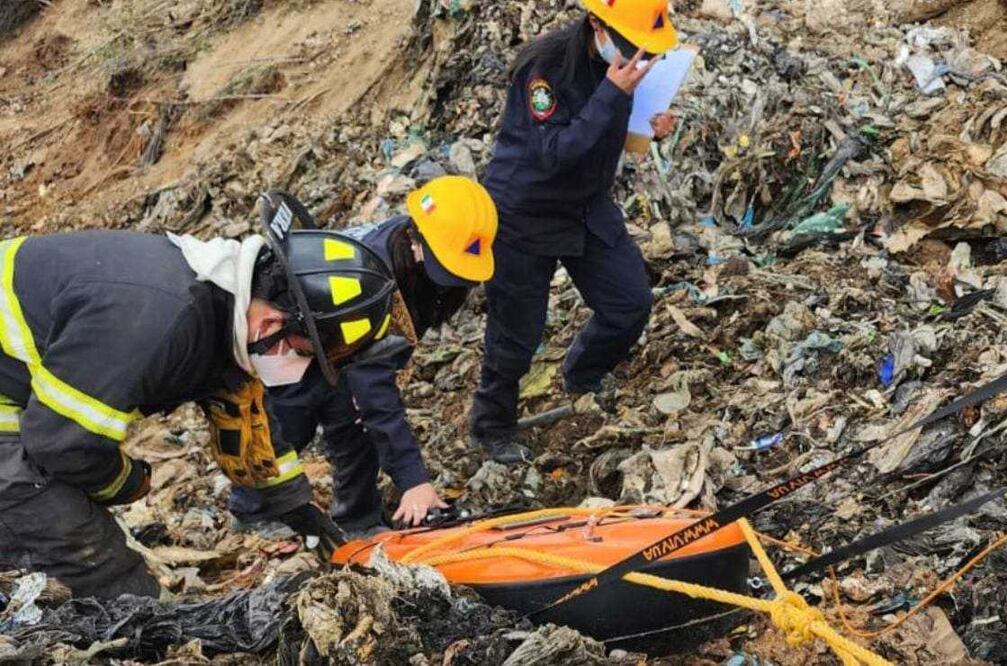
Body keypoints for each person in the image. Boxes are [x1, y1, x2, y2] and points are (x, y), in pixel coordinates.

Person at [0, 191, 403, 599]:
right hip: (20, 407)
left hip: (14, 388)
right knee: (94, 558)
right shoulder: (160, 319)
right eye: (303, 352)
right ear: (272, 324)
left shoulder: (222, 307)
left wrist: (302, 513)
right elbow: (61, 443)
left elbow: (250, 432)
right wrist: (127, 483)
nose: (300, 368)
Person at [228, 176, 499, 537]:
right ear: (416, 240)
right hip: (293, 339)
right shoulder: (374, 276)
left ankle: (358, 518)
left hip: (339, 345)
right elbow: (374, 389)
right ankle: (253, 512)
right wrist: (413, 480)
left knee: (350, 423)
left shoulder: (421, 260)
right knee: (289, 424)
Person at [470, 0, 678, 463]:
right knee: (516, 336)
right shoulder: (545, 70)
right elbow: (554, 153)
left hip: (585, 205)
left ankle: (583, 373)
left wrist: (651, 126)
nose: (637, 59)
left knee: (629, 304)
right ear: (596, 25)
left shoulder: (626, 68)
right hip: (526, 212)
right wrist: (611, 93)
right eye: (630, 48)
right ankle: (491, 426)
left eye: (646, 52)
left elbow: (620, 136)